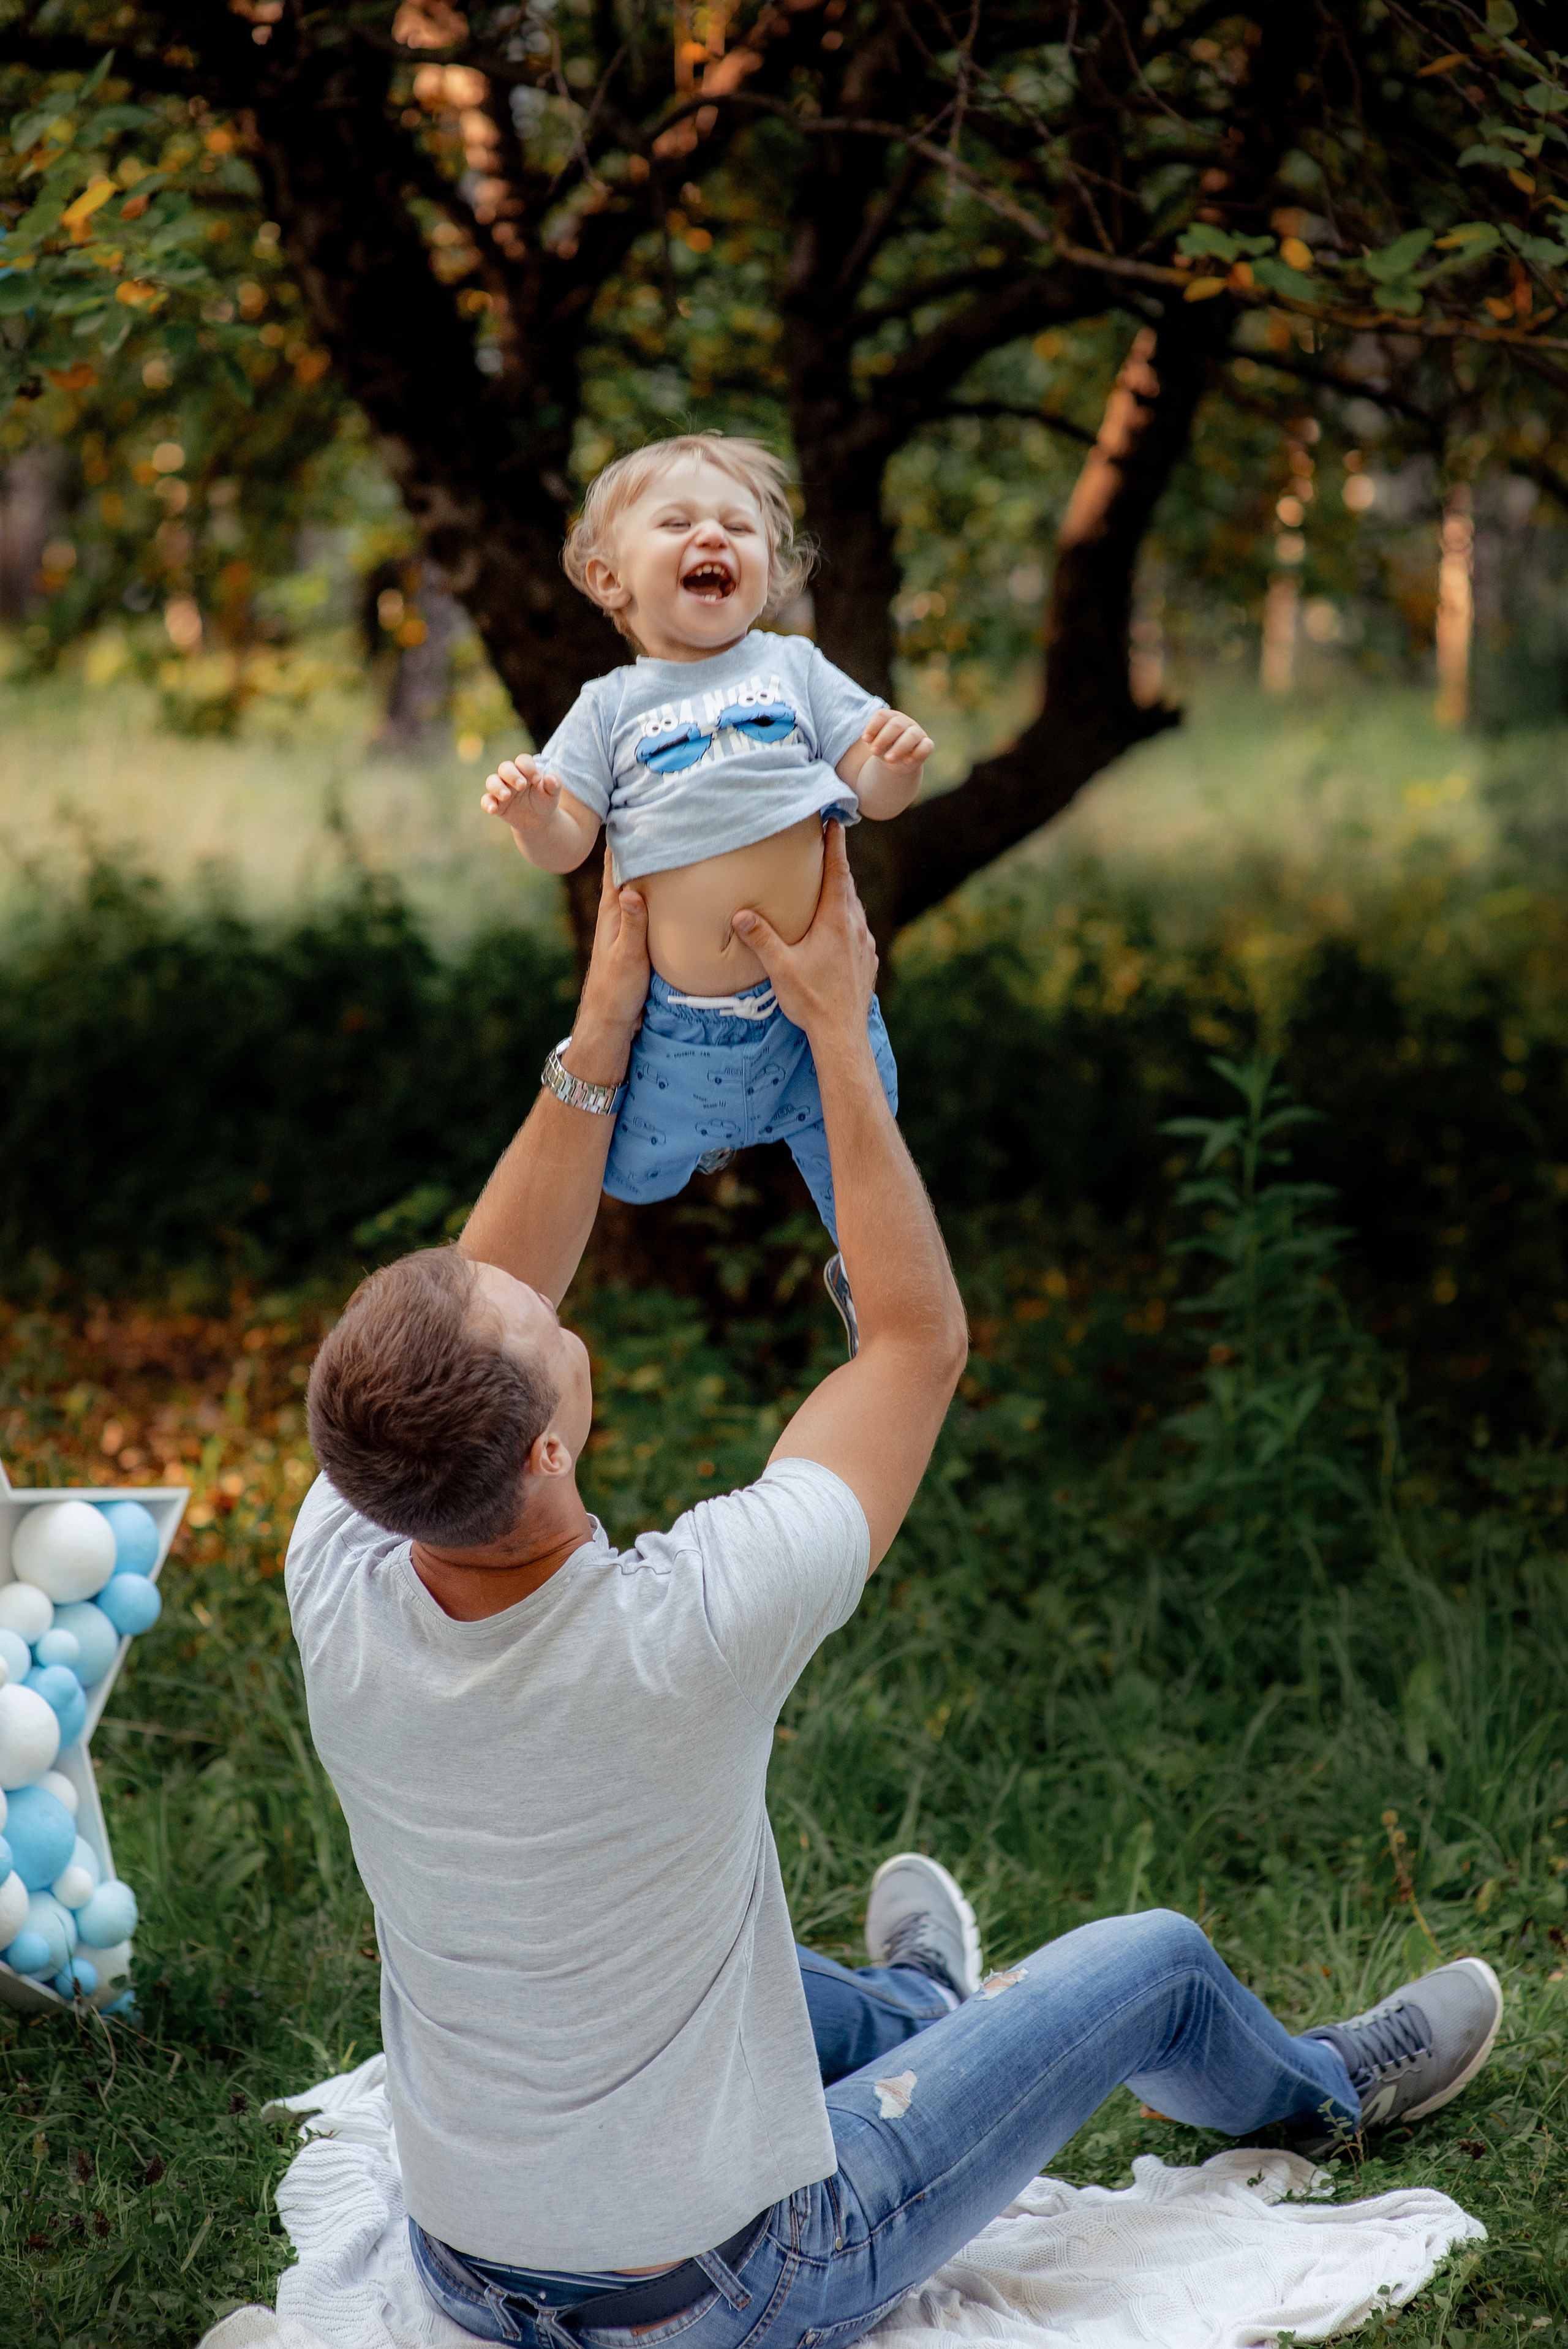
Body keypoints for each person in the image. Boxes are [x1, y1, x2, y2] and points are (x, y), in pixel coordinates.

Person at [285, 836, 1502, 2349]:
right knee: (1154, 1960)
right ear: (544, 1443)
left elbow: (480, 1314)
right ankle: (1321, 2091)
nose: (538, 1291)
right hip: (734, 2282)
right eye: (533, 1324)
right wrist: (836, 1035)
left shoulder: (338, 1558)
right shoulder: (686, 1630)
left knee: (738, 1960)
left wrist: (601, 1039)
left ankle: (924, 2015)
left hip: (467, 2264)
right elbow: (912, 1348)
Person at [477, 431, 934, 1345]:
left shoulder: (794, 670)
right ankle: (700, 1151)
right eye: (678, 522)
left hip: (823, 1006)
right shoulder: (609, 706)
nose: (714, 539)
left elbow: (872, 794)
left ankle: (876, 1299)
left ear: (773, 568)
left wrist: (895, 766)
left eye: (740, 525)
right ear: (611, 578)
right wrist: (535, 817)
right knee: (634, 1171)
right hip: (691, 1022)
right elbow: (571, 844)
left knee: (863, 1152)